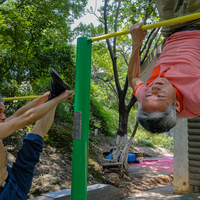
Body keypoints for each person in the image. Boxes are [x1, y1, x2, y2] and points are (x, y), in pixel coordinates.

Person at [0, 69, 74, 200]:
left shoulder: (1, 124)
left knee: (33, 142)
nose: (4, 117)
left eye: (4, 112)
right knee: (32, 142)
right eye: (0, 112)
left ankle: (56, 93)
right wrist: (58, 100)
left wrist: (47, 97)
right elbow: (28, 118)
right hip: (5, 195)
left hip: (11, 176)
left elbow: (19, 114)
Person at [128, 0, 200, 133]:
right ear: (177, 105)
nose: (153, 89)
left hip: (169, 27)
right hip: (196, 20)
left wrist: (136, 42)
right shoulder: (196, 99)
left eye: (148, 96)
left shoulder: (149, 102)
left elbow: (133, 79)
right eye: (160, 96)